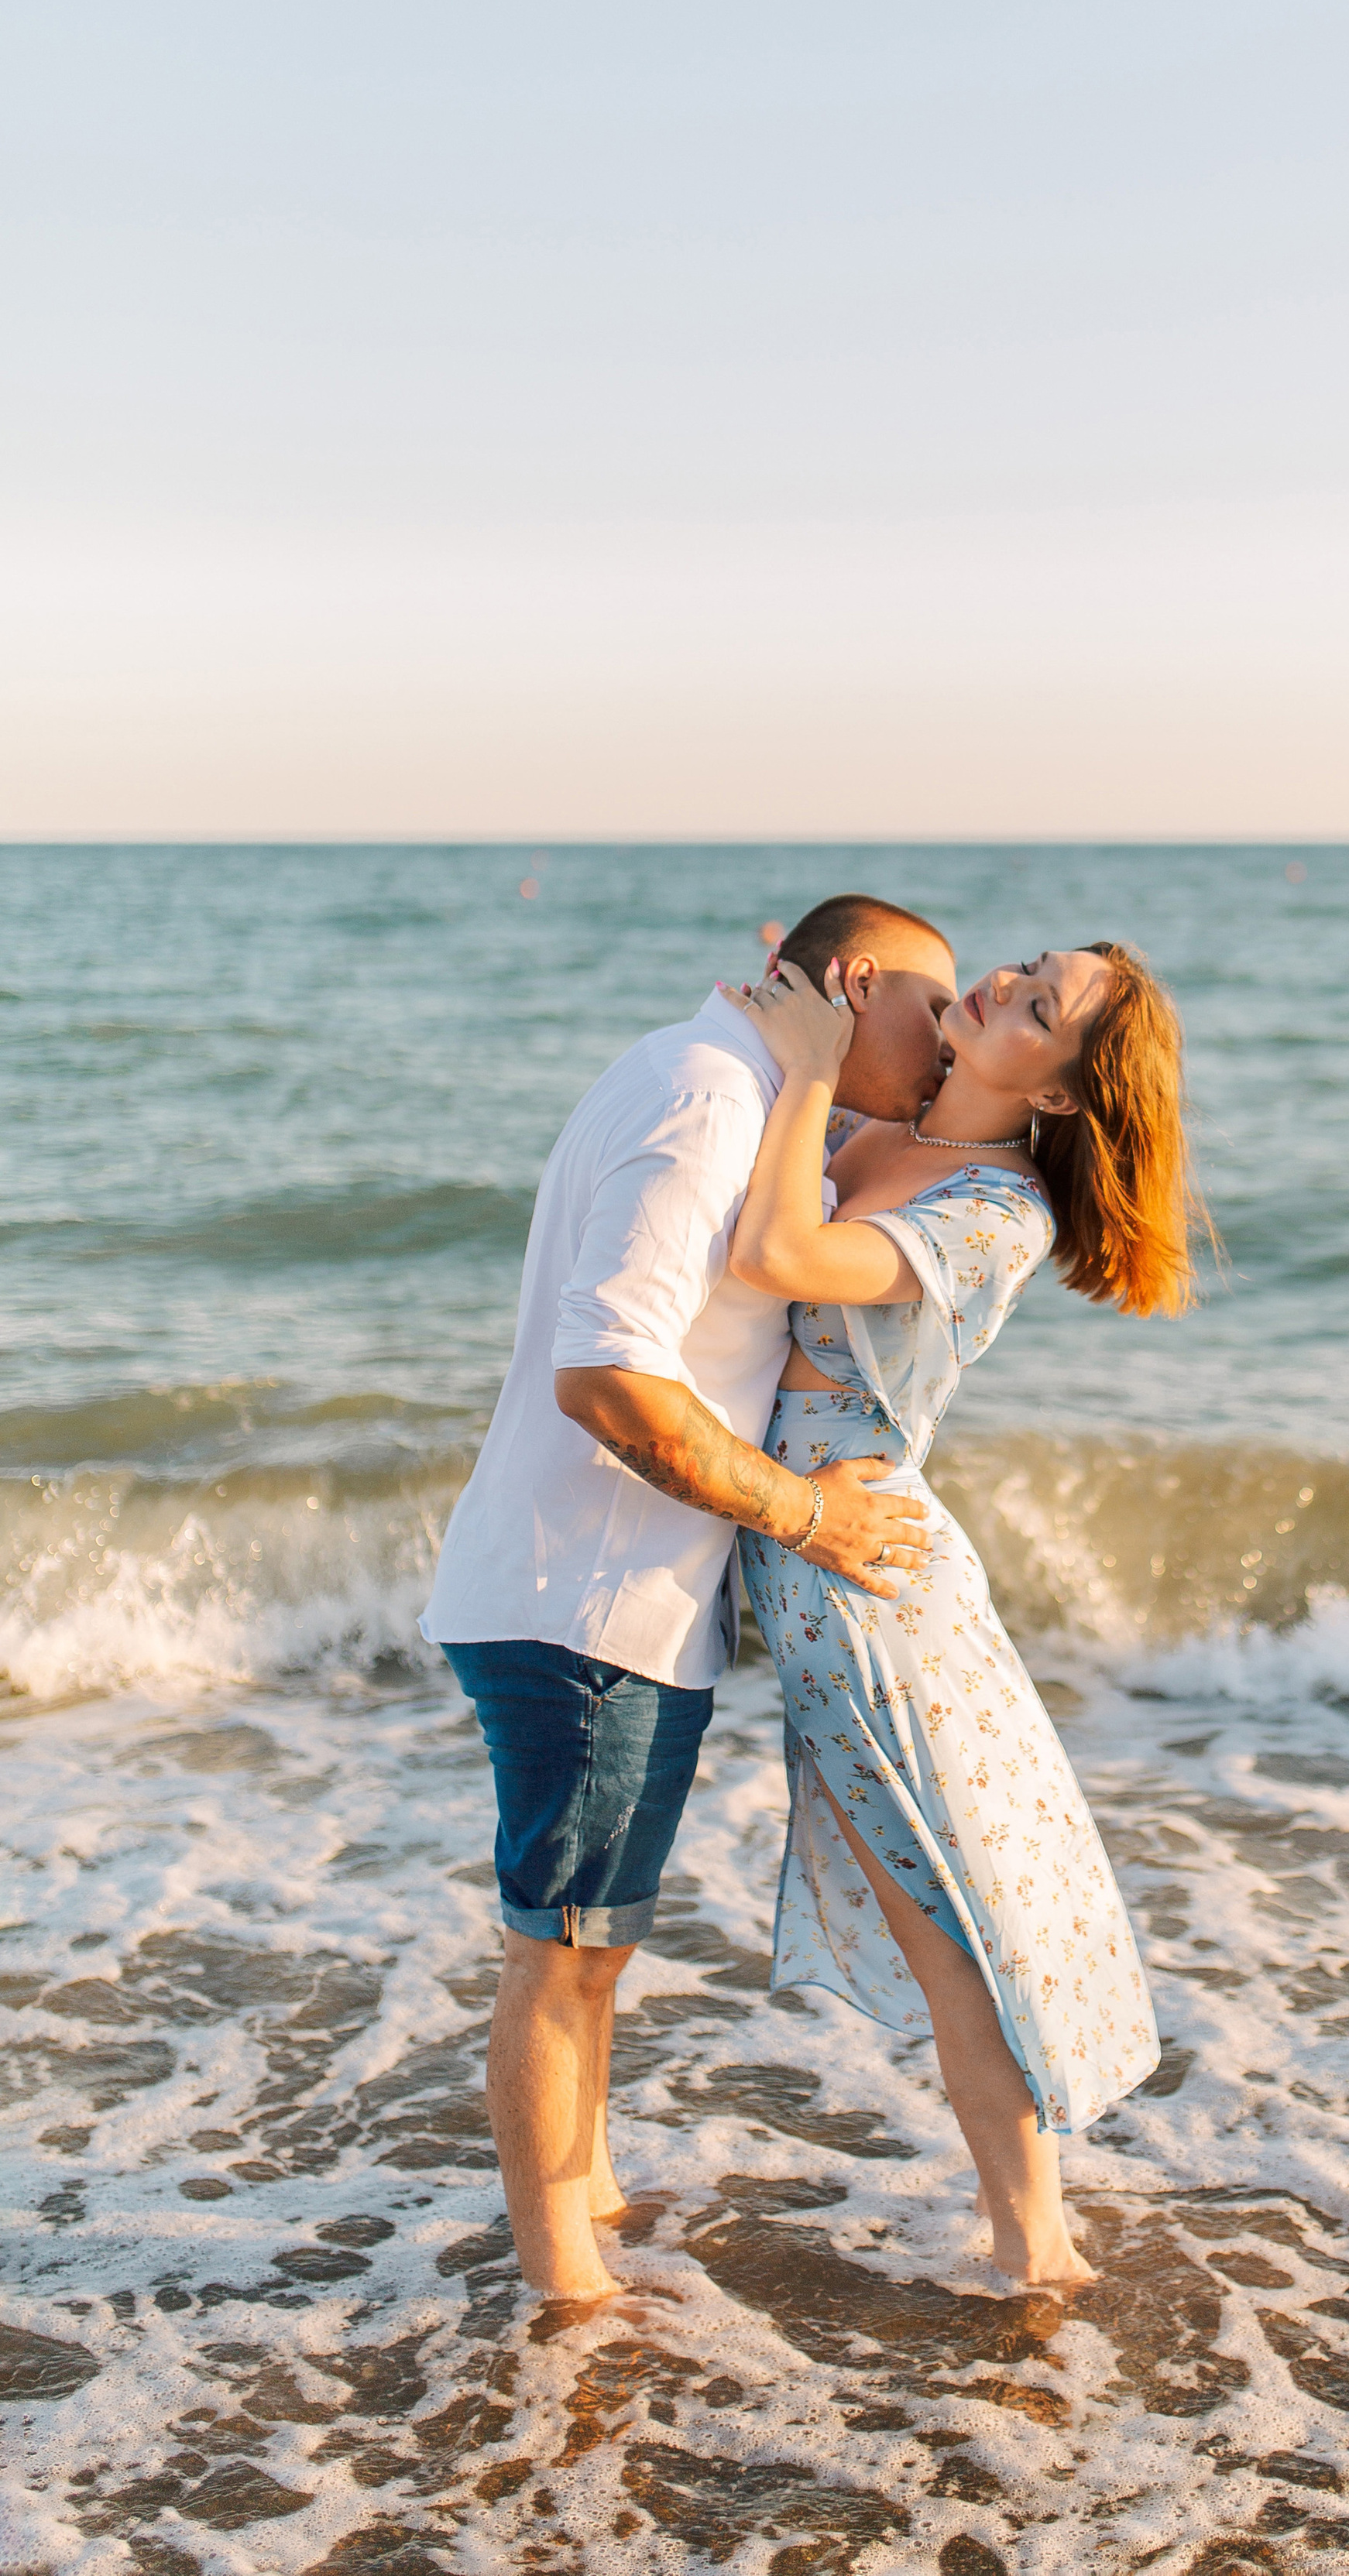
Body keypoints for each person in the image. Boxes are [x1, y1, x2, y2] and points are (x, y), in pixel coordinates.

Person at [418, 894, 956, 2301]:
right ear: (852, 983)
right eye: (932, 1010)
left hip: (593, 1595)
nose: (951, 1042)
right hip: (585, 1602)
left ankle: (584, 2202)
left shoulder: (711, 1073)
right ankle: (561, 2294)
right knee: (567, 1953)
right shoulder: (709, 1101)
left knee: (592, 1949)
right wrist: (807, 1517)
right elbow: (605, 1372)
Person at [722, 941, 1204, 2289]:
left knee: (959, 1931)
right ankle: (1034, 2238)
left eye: (1039, 1010)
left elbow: (772, 1252)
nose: (1003, 986)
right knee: (955, 1914)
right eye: (1029, 968)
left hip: (871, 1593)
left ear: (1055, 1095)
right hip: (823, 1570)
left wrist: (814, 1075)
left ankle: (1038, 2252)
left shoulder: (996, 1214)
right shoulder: (884, 1127)